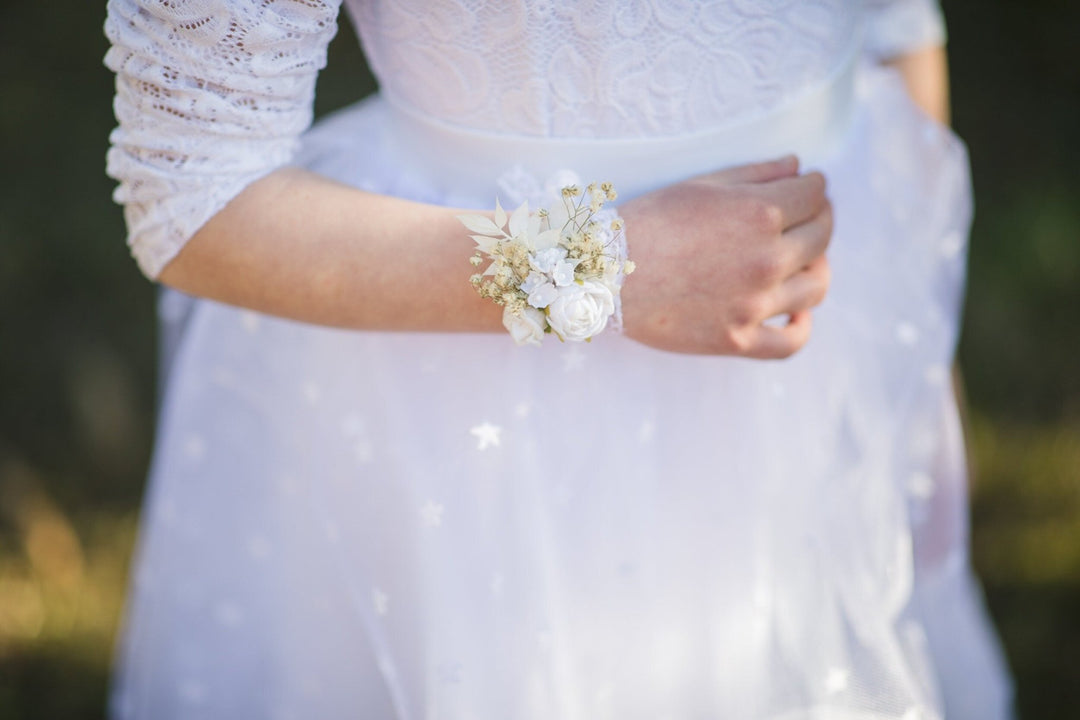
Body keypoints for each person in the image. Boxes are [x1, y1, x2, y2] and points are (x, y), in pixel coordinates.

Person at [103, 0, 1014, 718]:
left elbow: (893, 22)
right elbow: (192, 191)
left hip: (831, 324)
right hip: (476, 400)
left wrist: (921, 350)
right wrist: (599, 271)